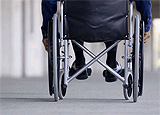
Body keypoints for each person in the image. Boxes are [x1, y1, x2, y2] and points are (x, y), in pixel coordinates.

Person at [41, 0, 152, 82]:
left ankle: (79, 62)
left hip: (77, 26)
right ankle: (111, 63)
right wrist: (146, 26)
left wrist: (47, 33)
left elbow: (48, 2)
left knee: (74, 17)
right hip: (113, 26)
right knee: (114, 17)